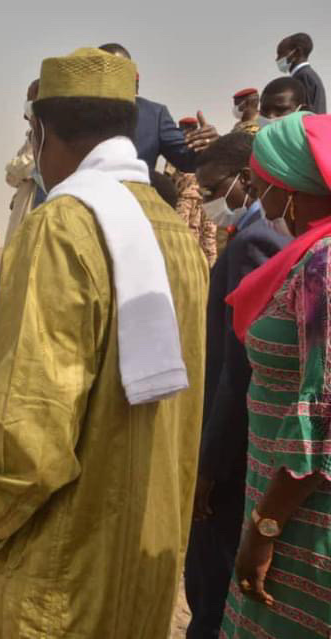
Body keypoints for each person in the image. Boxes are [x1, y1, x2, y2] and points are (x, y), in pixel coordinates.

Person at [0, 48, 208, 638]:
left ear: (42, 129)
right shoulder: (176, 237)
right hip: (135, 570)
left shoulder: (60, 227)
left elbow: (32, 434)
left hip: (50, 579)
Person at [219, 112, 331, 638]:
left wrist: (265, 528)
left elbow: (323, 409)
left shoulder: (323, 268)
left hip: (304, 521)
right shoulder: (307, 256)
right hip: (287, 507)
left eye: (263, 184)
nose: (260, 200)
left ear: (291, 188)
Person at [184, 132, 290, 638]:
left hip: (234, 451)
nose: (207, 202)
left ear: (245, 180)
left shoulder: (255, 242)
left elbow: (236, 367)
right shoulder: (250, 236)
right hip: (239, 447)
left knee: (211, 581)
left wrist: (210, 464)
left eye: (213, 188)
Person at [100, 42, 219, 171]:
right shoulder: (76, 113)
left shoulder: (154, 115)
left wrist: (211, 146)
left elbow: (188, 160)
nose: (112, 76)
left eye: (119, 70)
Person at [174, 117, 219, 264]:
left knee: (185, 237)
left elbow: (171, 176)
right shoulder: (208, 146)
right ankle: (211, 273)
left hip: (185, 199)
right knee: (208, 238)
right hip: (208, 198)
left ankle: (190, 271)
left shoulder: (180, 148)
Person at [5, 80, 43, 235]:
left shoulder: (48, 138)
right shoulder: (32, 136)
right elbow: (11, 177)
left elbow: (21, 169)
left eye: (30, 98)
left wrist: (15, 168)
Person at [276, 32, 326, 114]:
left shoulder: (303, 76)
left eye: (280, 53)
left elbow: (305, 114)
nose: (277, 59)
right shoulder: (306, 75)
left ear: (297, 52)